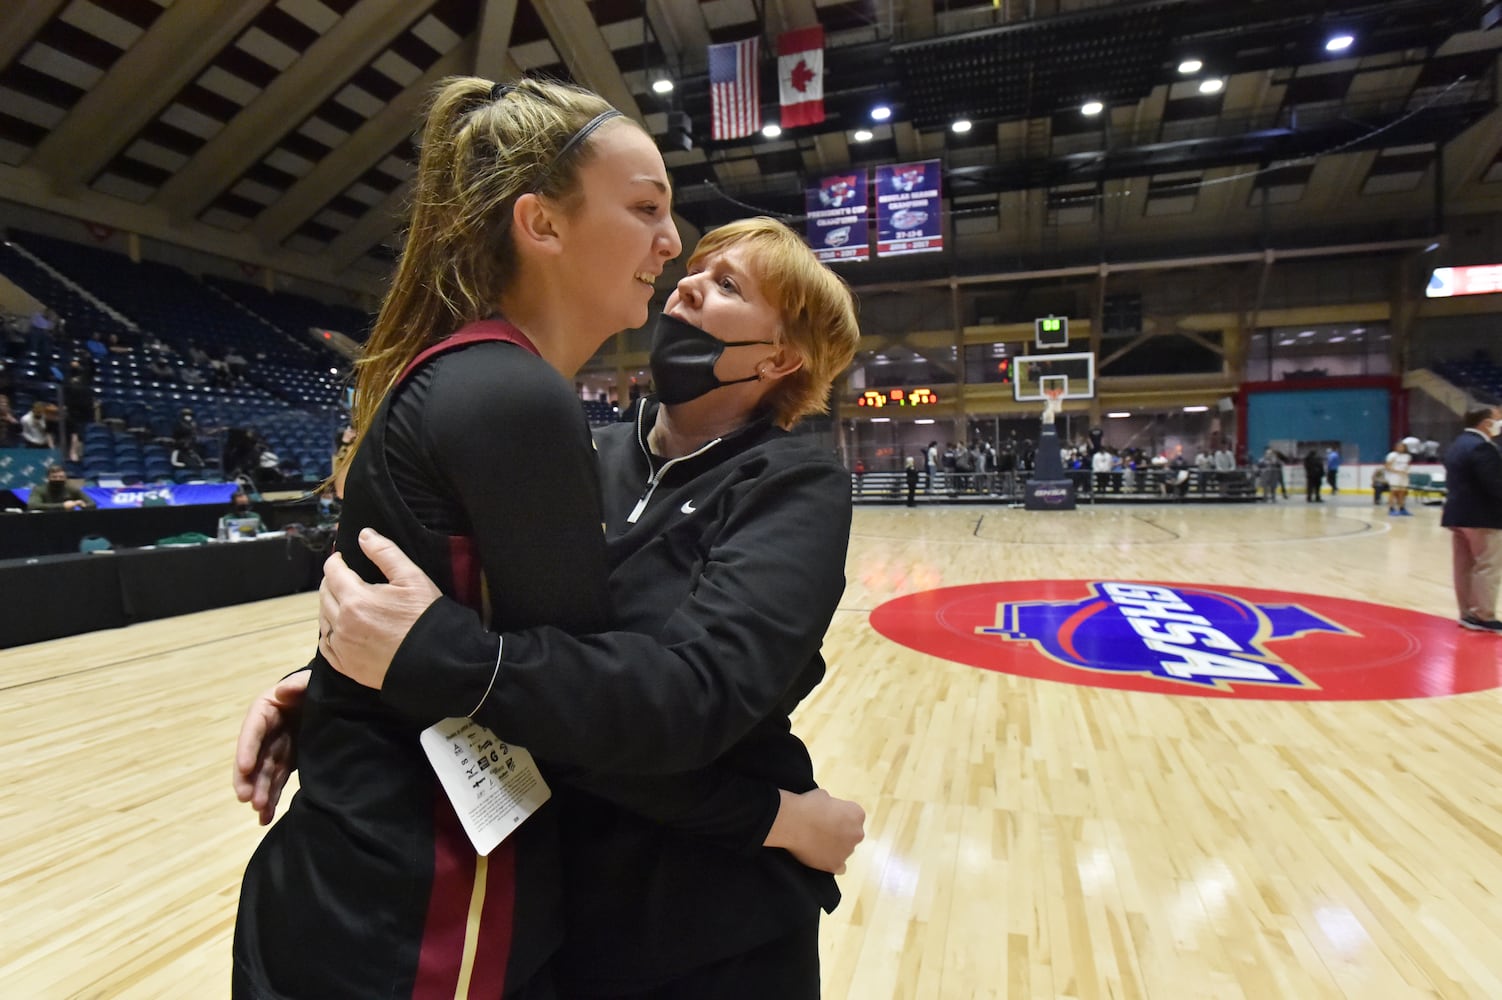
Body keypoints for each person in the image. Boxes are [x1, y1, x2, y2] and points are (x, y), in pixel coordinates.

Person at [230, 81, 855, 1000]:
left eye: (726, 285)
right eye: (653, 216)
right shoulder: (560, 432)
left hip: (696, 910)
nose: (680, 263)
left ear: (779, 359)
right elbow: (457, 626)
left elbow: (683, 700)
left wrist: (396, 669)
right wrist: (325, 681)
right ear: (542, 224)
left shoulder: (794, 484)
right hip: (556, 896)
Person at [1441, 406, 1502, 631]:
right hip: (1482, 516)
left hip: (1458, 514)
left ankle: (1467, 613)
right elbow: (1495, 484)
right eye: (1497, 419)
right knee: (1487, 565)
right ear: (1486, 423)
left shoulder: (1457, 444)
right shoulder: (1483, 447)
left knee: (1463, 565)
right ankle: (1484, 615)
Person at [26, 463, 95, 511]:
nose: (58, 479)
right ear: (48, 478)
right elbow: (32, 505)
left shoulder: (71, 489)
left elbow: (92, 504)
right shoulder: (39, 490)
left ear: (65, 478)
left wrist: (82, 505)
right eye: (54, 477)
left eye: (61, 477)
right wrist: (62, 506)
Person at [1385, 438, 1412, 516]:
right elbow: (1387, 466)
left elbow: (1407, 465)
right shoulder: (1392, 455)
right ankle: (1391, 509)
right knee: (1393, 492)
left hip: (1404, 476)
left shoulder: (1407, 456)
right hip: (1394, 476)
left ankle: (1402, 508)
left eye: (1402, 446)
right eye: (1399, 446)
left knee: (1402, 493)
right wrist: (1398, 471)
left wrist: (1407, 471)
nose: (1400, 448)